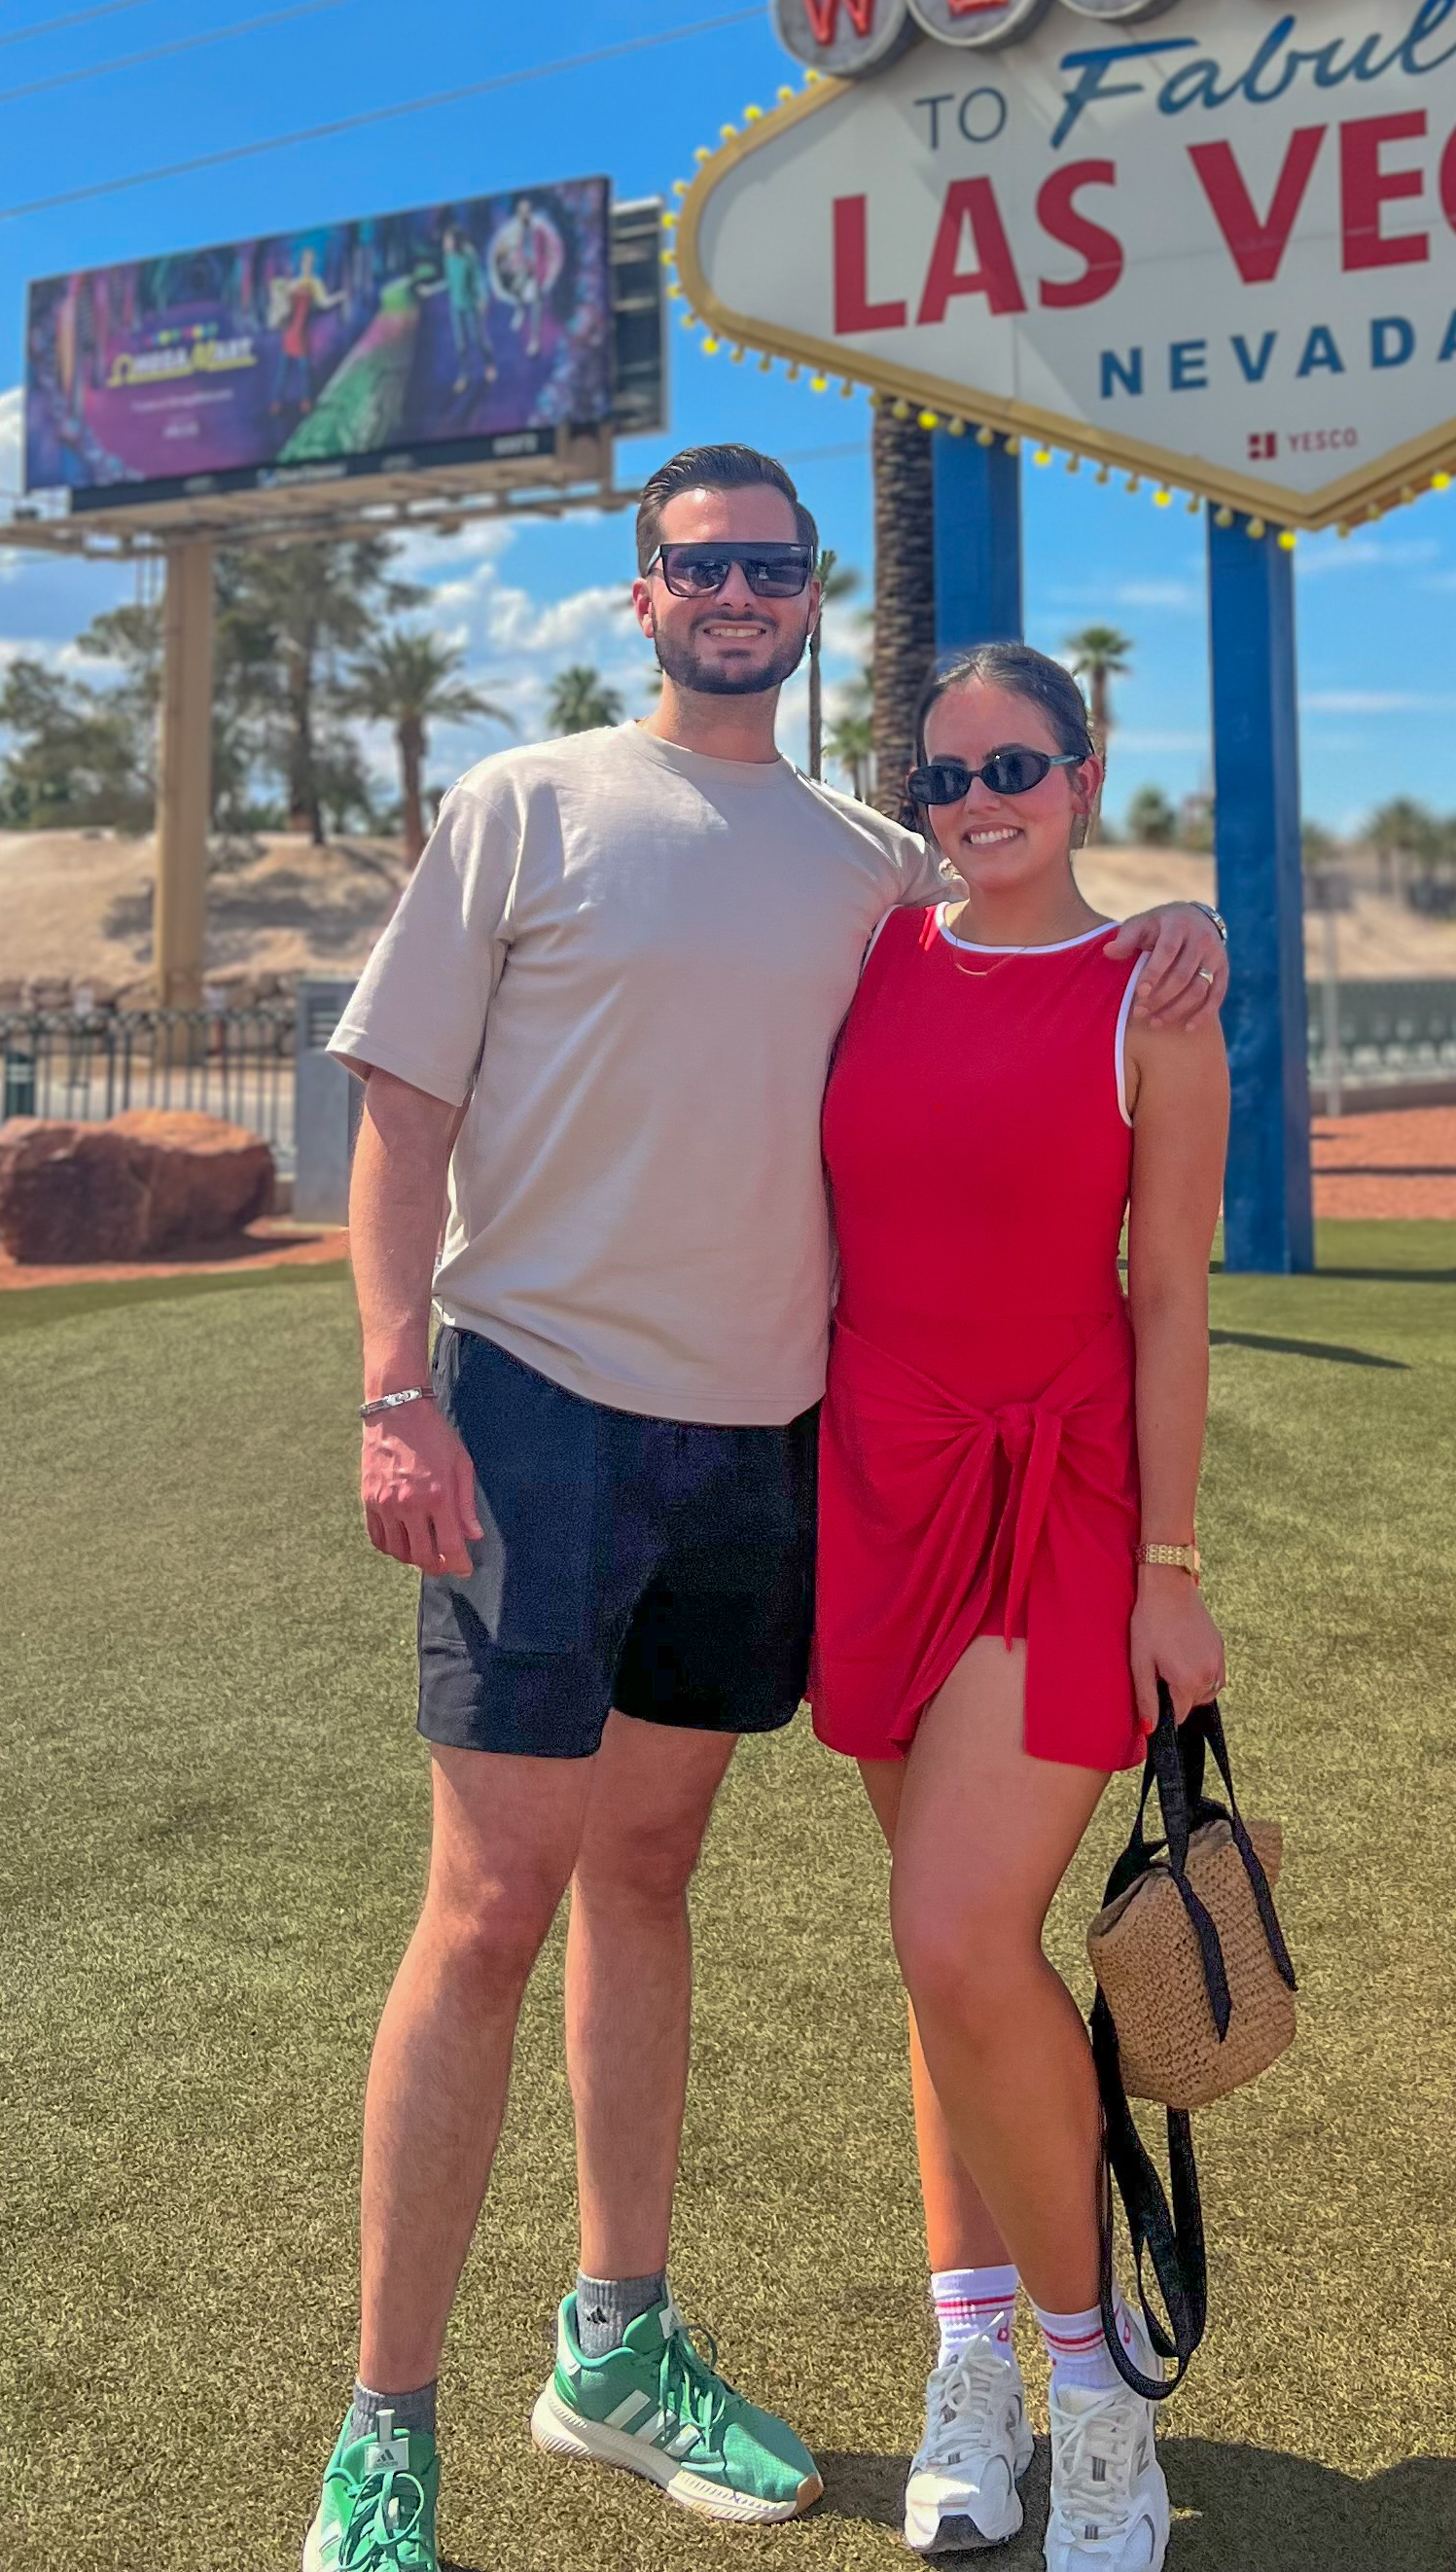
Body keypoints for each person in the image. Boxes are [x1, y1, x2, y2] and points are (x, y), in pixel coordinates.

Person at [300, 446, 1230, 2572]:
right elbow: (400, 1117)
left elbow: (1035, 949)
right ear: (641, 594)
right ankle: (383, 2432)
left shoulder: (867, 868)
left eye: (772, 568)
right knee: (490, 1908)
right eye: (698, 565)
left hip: (765, 1452)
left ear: (814, 599)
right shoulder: (524, 802)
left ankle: (614, 2347)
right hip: (533, 1415)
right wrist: (391, 1390)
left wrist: (1174, 920)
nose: (736, 594)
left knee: (650, 1878)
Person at [814, 641, 1228, 2572]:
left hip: (1062, 1498)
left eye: (1015, 768)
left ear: (1085, 774)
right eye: (946, 774)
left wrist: (1174, 1571)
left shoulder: (1155, 997)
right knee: (949, 1957)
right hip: (877, 1489)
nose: (978, 802)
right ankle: (969, 2360)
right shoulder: (870, 949)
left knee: (959, 1928)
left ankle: (1096, 2389)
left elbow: (1174, 1301)